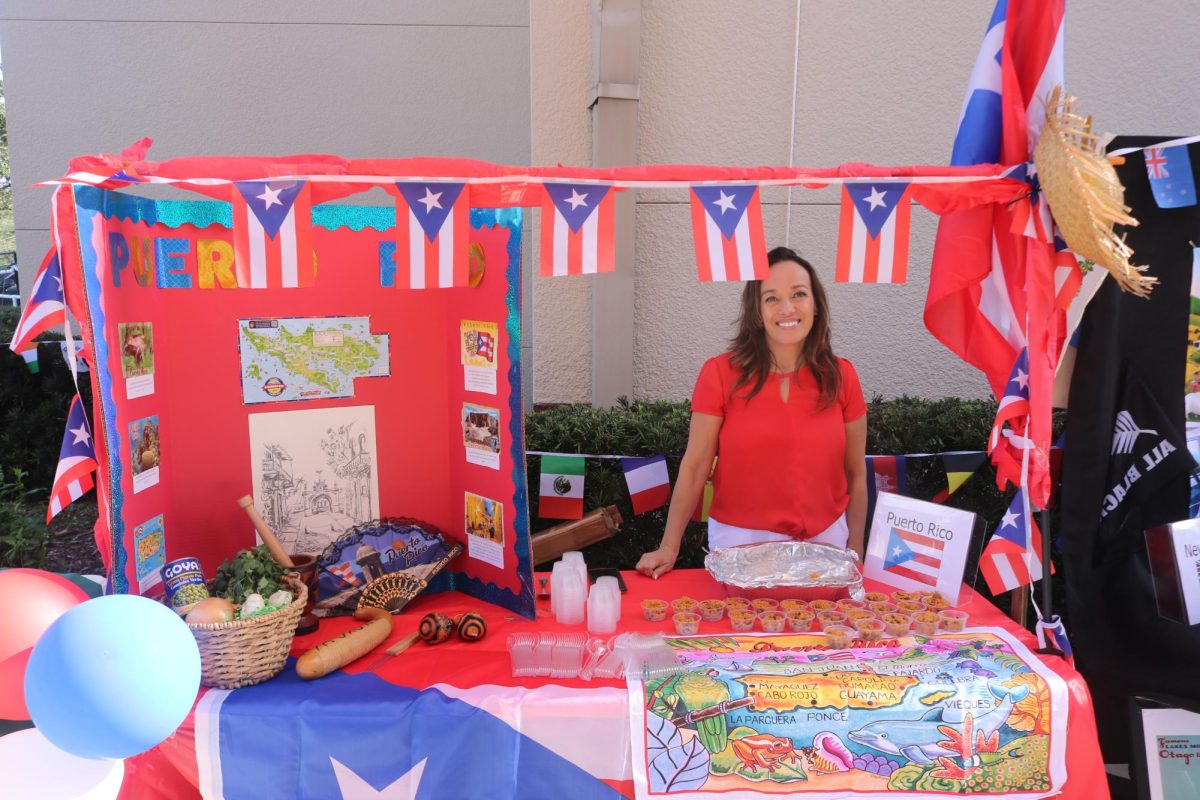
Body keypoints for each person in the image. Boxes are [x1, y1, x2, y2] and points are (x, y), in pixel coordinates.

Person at [636, 247, 867, 579]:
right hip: (741, 547)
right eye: (771, 298)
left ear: (815, 305)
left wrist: (854, 552)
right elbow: (696, 465)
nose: (787, 308)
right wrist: (668, 546)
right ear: (757, 312)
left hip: (826, 544)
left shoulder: (843, 376)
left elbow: (856, 474)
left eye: (799, 294)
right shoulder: (720, 373)